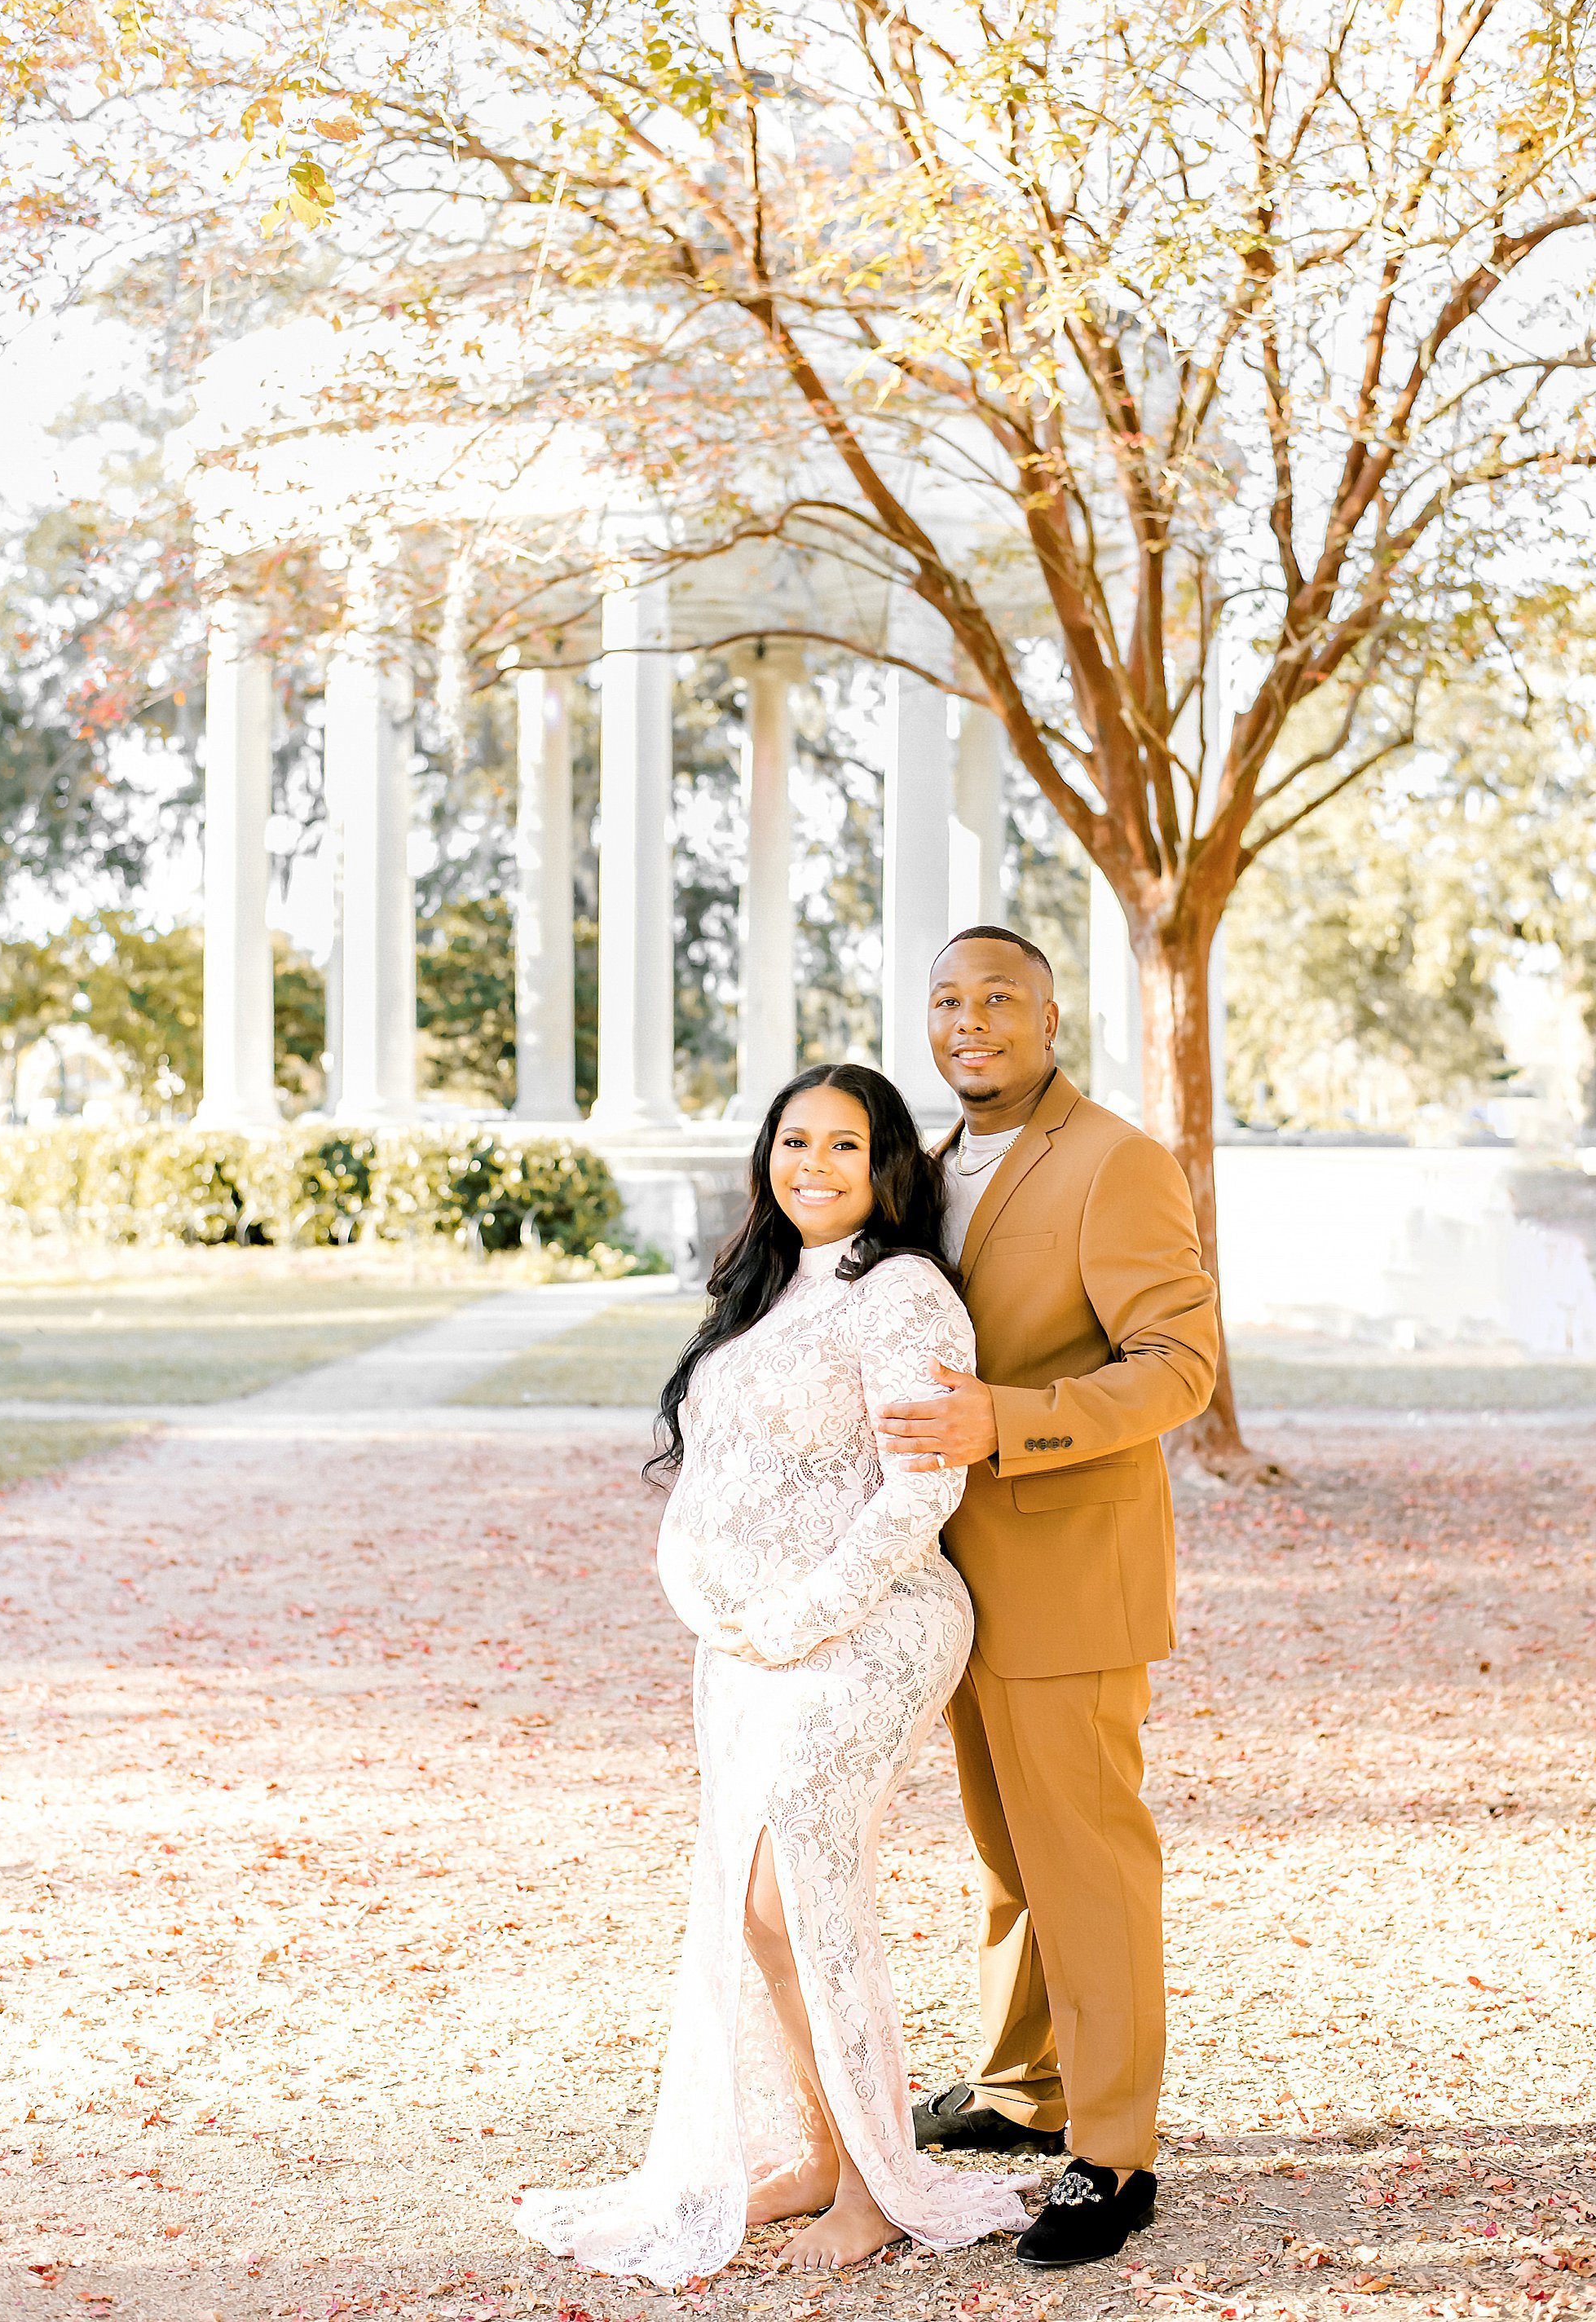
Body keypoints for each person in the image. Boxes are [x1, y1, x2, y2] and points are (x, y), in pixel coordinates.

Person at [514, 1063, 1031, 2287]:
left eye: (844, 1146)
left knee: (795, 1882)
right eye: (794, 1141)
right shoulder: (761, 1288)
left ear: (885, 1167)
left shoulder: (906, 1296)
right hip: (747, 1644)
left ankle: (876, 2178)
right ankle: (821, 2144)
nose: (813, 1164)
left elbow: (921, 1490)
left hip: (875, 1622)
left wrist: (806, 1614)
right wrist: (705, 1595)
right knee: (756, 1906)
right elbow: (719, 1471)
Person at [875, 926, 1220, 2270]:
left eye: (1000, 999)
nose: (972, 1022)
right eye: (948, 1000)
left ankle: (1114, 2153)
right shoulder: (922, 1168)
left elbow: (1178, 1367)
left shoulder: (1117, 1163)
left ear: (1053, 1019)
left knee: (1086, 1860)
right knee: (1010, 1854)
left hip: (1070, 1570)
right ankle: (1026, 2090)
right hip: (950, 1577)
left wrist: (1004, 1424)